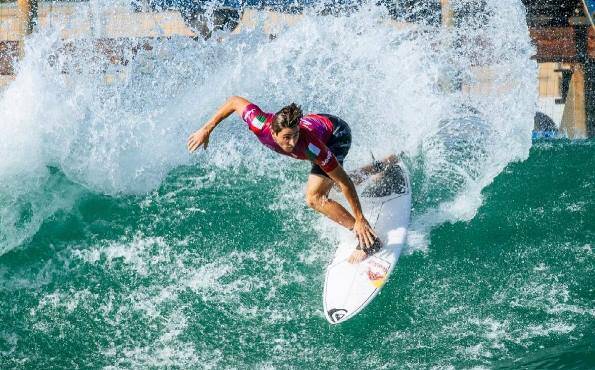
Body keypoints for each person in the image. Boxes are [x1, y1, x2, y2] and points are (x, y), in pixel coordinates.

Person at [187, 96, 381, 263]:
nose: (293, 142)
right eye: (287, 137)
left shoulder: (311, 146)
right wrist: (207, 129)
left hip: (335, 135)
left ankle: (368, 240)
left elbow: (343, 181)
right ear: (273, 132)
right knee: (333, 181)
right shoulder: (259, 123)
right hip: (322, 124)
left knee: (315, 197)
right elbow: (234, 101)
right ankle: (380, 168)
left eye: (295, 135)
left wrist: (360, 219)